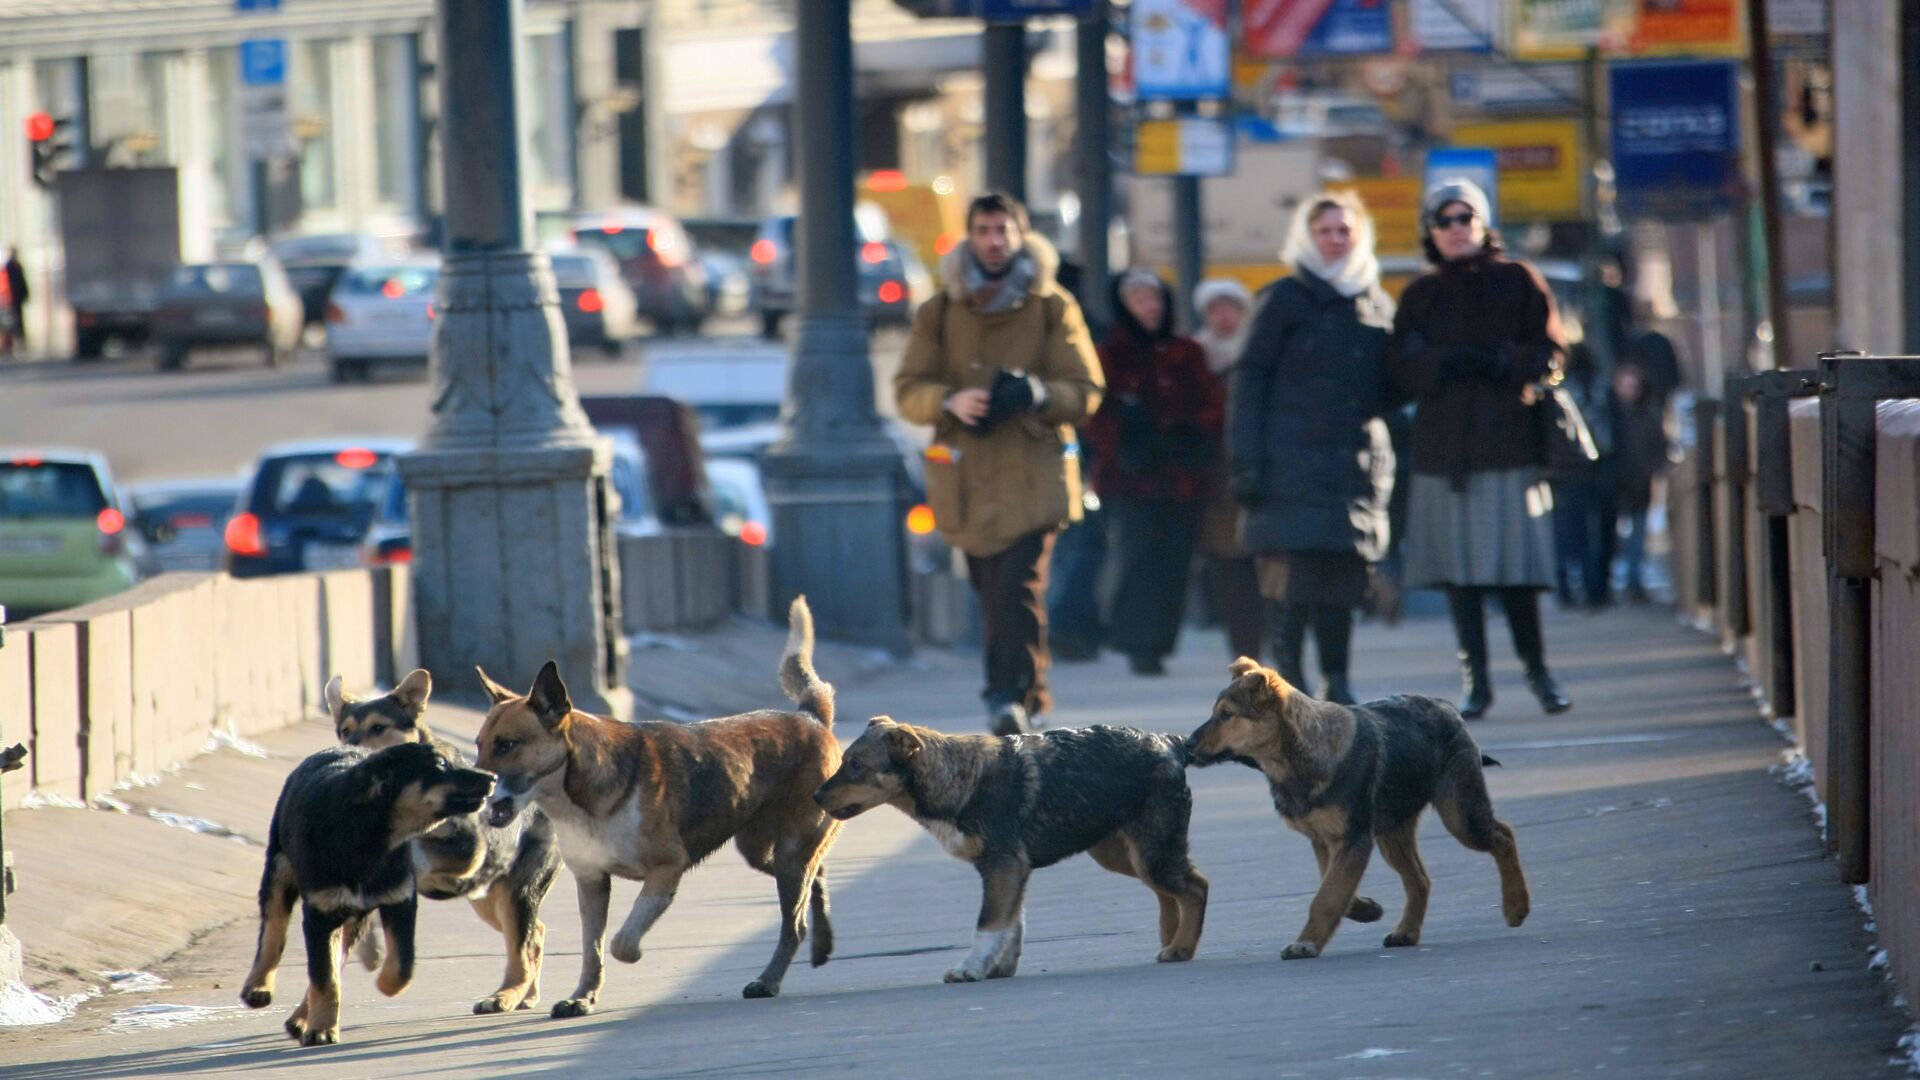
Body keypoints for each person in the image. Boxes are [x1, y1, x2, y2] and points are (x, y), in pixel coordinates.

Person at [895, 192, 1104, 735]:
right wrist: (950, 401)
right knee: (991, 593)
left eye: (1002, 230)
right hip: (964, 477)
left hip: (1034, 473)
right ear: (969, 237)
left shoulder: (1051, 304)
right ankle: (1030, 697)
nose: (993, 240)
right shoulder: (939, 311)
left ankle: (1005, 697)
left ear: (1020, 234)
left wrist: (1036, 393)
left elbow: (1086, 390)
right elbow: (907, 390)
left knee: (1019, 586)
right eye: (983, 230)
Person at [1392, 179, 1572, 718]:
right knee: (1460, 575)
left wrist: (1504, 361)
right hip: (1444, 452)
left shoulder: (1519, 280)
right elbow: (1398, 366)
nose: (1454, 229)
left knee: (1516, 572)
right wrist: (1441, 361)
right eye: (1443, 220)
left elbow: (1553, 351)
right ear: (1430, 230)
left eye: (1463, 217)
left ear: (1482, 223)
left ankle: (1539, 674)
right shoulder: (1419, 294)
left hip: (1508, 444)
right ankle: (1477, 682)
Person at [1229, 191, 1396, 706]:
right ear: (1307, 236)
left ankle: (1338, 683)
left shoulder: (1375, 301)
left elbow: (1392, 389)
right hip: (1287, 466)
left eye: (1344, 230)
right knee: (1290, 588)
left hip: (1351, 466)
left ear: (1359, 235)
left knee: (1342, 586)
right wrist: (1246, 466)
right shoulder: (1283, 299)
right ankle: (1288, 687)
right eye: (1324, 230)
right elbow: (1249, 383)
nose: (1334, 239)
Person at [1085, 268, 1223, 676]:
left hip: (1181, 477)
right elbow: (1095, 412)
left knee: (1175, 560)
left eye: (1156, 299)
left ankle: (1161, 639)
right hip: (1129, 479)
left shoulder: (1186, 352)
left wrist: (1191, 435)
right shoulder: (1110, 354)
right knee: (1137, 557)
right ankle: (1136, 642)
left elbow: (1209, 405)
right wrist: (1124, 442)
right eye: (1140, 300)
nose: (1150, 308)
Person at [1192, 277, 1264, 662]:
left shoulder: (1259, 352)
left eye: (1231, 307)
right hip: (1216, 478)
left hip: (1258, 470)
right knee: (1228, 567)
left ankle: (1264, 641)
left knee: (1264, 564)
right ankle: (1243, 648)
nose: (1224, 316)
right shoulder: (1195, 356)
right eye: (1215, 309)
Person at [1549, 342, 1617, 610]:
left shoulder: (1562, 391)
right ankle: (1596, 589)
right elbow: (1617, 429)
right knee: (1599, 533)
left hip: (1568, 471)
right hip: (1602, 468)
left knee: (1567, 533)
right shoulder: (1603, 387)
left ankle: (1566, 588)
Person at [1611, 361, 1670, 604]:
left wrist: (1652, 470)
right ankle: (1621, 582)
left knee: (1637, 537)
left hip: (1640, 483)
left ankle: (1634, 583)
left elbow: (1659, 449)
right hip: (1616, 483)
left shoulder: (1649, 414)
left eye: (1632, 386)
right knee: (1617, 537)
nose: (1628, 391)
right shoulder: (1611, 416)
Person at [2, 248, 26, 358]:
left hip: (16, 300)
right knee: (8, 324)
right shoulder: (8, 268)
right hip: (7, 301)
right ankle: (8, 346)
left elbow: (22, 282)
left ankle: (18, 344)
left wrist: (24, 294)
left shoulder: (17, 266)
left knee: (16, 323)